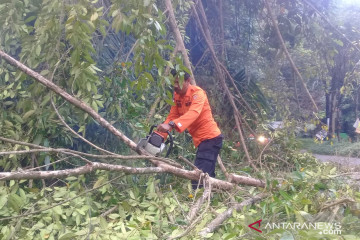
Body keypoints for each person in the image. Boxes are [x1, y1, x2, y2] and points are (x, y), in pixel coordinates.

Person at [157, 69, 223, 188]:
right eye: (174, 82)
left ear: (188, 81)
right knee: (207, 174)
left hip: (210, 138)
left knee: (199, 178)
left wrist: (171, 125)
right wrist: (159, 136)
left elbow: (194, 113)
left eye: (178, 82)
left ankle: (200, 200)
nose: (175, 86)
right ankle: (215, 196)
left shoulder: (198, 93)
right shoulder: (177, 96)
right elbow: (173, 115)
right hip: (201, 140)